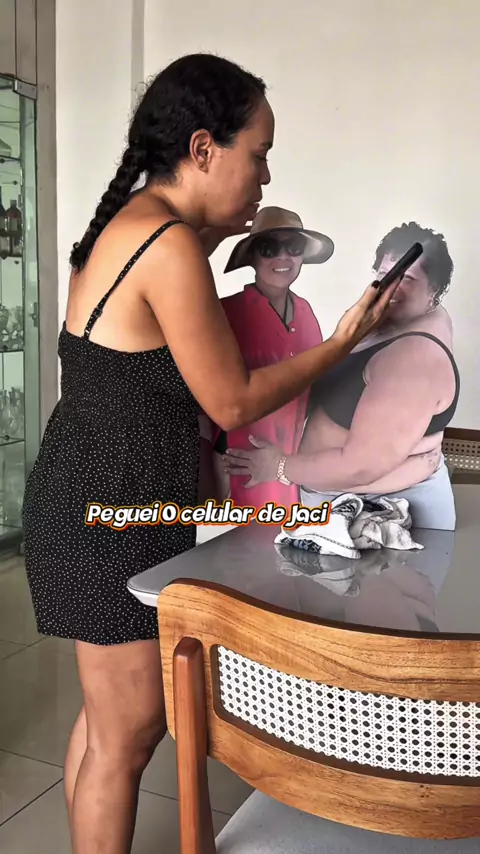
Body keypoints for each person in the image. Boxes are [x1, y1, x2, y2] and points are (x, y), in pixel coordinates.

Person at [21, 53, 398, 854]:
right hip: (108, 513)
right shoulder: (166, 244)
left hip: (97, 498)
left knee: (108, 725)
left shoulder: (138, 228)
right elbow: (230, 399)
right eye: (258, 154)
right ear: (202, 149)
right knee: (128, 734)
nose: (265, 178)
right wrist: (341, 344)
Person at [224, 222, 459, 531]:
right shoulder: (383, 320)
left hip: (369, 510)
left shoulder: (414, 355)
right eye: (386, 274)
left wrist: (279, 467)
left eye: (408, 278)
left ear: (434, 291)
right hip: (295, 483)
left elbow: (362, 466)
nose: (392, 287)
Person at [207, 205, 334, 510]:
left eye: (294, 247)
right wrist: (213, 471)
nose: (283, 257)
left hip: (289, 469)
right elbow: (202, 398)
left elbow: (315, 390)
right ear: (252, 256)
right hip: (239, 467)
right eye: (269, 248)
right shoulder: (225, 314)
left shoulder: (306, 314)